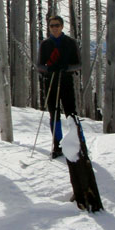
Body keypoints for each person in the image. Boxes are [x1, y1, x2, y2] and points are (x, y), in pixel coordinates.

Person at [36, 15, 81, 158]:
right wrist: (48, 69)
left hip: (66, 81)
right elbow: (39, 65)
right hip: (50, 82)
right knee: (53, 114)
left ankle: (79, 144)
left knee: (71, 114)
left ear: (62, 26)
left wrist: (66, 68)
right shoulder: (45, 44)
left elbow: (79, 64)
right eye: (51, 26)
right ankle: (58, 146)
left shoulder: (71, 43)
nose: (54, 28)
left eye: (57, 25)